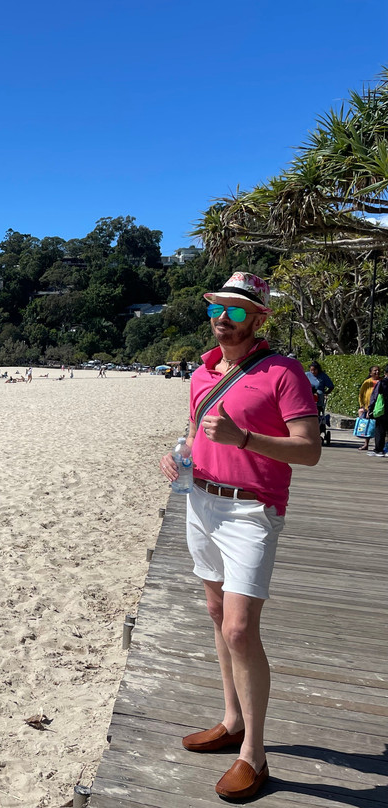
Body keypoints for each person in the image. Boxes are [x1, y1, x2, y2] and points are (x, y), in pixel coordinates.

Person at [159, 272, 320, 801]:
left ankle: (255, 753)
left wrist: (244, 438)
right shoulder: (202, 373)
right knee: (215, 613)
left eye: (235, 311)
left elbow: (309, 449)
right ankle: (231, 721)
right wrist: (178, 456)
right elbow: (194, 433)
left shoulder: (283, 372)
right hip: (201, 502)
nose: (222, 320)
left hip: (251, 510)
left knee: (239, 630)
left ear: (258, 318)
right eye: (216, 310)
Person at [357, 366, 381, 451]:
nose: (377, 372)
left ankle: (378, 446)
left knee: (379, 427)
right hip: (368, 407)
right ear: (370, 373)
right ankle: (366, 444)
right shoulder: (367, 382)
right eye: (375, 370)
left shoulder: (382, 382)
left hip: (379, 407)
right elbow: (361, 394)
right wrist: (362, 406)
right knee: (368, 425)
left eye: (378, 370)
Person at [366, 370, 388, 457]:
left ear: (385, 373)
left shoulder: (382, 383)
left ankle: (379, 450)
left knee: (380, 430)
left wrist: (370, 409)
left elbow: (374, 396)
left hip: (382, 410)